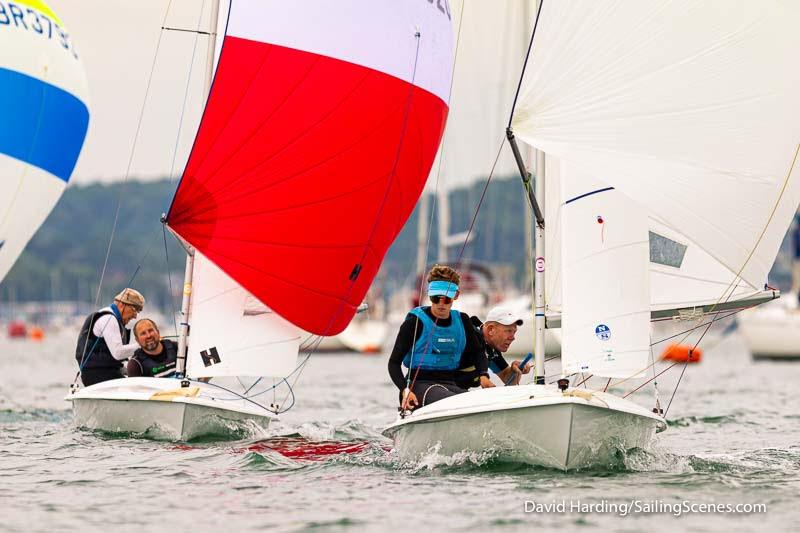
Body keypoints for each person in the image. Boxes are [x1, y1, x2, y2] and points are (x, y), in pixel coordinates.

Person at [387, 265, 491, 411]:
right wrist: (405, 390)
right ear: (429, 295)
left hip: (450, 383)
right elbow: (393, 363)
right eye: (436, 298)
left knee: (480, 403)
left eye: (446, 299)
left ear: (456, 296)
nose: (441, 304)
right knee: (456, 402)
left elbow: (478, 352)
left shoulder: (462, 321)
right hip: (417, 387)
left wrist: (483, 375)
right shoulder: (414, 323)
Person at [74, 288, 144, 386]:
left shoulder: (115, 319)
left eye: (138, 311)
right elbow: (118, 353)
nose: (135, 316)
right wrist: (143, 345)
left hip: (106, 372)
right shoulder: (109, 318)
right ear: (121, 304)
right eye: (134, 309)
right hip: (97, 375)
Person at [457, 305, 533, 389]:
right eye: (508, 331)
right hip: (445, 390)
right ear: (491, 330)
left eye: (514, 332)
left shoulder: (491, 348)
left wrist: (514, 370)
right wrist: (481, 377)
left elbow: (508, 379)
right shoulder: (465, 337)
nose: (513, 337)